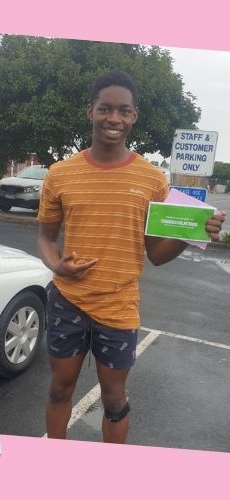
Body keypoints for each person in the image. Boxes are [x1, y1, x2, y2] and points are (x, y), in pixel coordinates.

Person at [37, 70, 225, 444]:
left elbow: (156, 254)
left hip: (119, 307)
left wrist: (192, 235)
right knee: (60, 390)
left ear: (134, 115)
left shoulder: (151, 179)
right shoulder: (60, 174)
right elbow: (44, 238)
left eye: (124, 111)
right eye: (105, 109)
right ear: (90, 110)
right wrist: (56, 264)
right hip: (68, 301)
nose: (114, 119)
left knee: (113, 399)